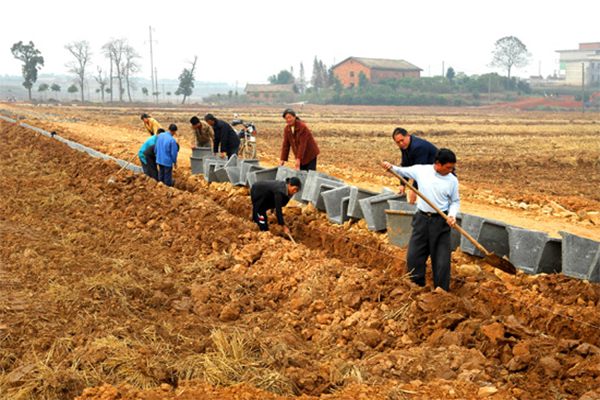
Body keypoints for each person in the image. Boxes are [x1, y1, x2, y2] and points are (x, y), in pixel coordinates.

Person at [382, 148, 460, 292]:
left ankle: (441, 293)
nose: (451, 170)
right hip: (422, 220)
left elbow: (455, 201)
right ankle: (417, 289)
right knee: (414, 257)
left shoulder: (452, 180)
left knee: (442, 262)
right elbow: (401, 170)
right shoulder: (422, 171)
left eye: (452, 167)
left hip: (441, 222)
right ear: (438, 163)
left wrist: (452, 215)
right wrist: (390, 167)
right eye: (448, 167)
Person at [392, 127, 439, 204]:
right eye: (398, 142)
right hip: (429, 172)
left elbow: (420, 171)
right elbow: (405, 165)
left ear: (408, 135)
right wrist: (402, 184)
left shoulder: (417, 147)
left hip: (441, 173)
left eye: (402, 140)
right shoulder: (404, 146)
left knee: (435, 200)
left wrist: (414, 189)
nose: (401, 143)